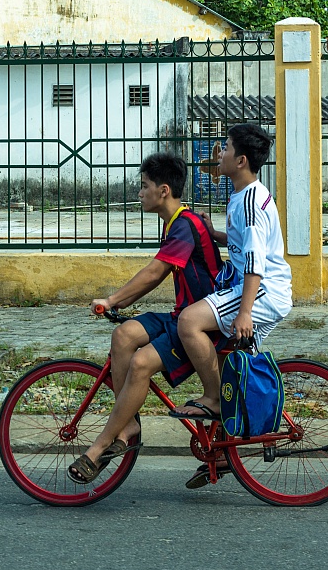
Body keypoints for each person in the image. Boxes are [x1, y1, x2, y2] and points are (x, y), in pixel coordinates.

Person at [67, 152, 226, 484]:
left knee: (140, 363)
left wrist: (112, 300)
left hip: (200, 325)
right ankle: (127, 424)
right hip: (182, 316)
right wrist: (118, 305)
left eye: (144, 186)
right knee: (123, 335)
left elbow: (155, 272)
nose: (139, 193)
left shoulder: (185, 225)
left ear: (163, 190)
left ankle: (99, 447)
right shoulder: (176, 222)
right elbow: (158, 274)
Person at [171, 123, 293, 485]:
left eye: (224, 147)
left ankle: (212, 399)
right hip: (257, 288)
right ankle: (225, 453)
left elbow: (255, 260)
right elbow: (244, 243)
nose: (219, 153)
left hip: (262, 291)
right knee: (228, 363)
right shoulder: (243, 195)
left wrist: (245, 313)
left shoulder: (251, 202)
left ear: (240, 160)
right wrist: (216, 234)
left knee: (189, 322)